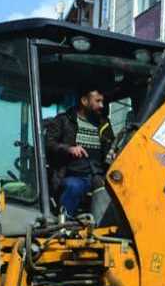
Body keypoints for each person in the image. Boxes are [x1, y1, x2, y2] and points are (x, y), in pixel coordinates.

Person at [45, 88, 115, 216]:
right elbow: (49, 144)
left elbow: (111, 147)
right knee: (73, 186)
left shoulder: (104, 124)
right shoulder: (63, 120)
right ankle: (64, 221)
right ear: (84, 101)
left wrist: (114, 153)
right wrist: (69, 149)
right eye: (97, 101)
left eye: (102, 101)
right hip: (73, 175)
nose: (101, 105)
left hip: (98, 176)